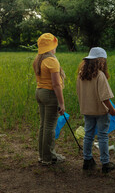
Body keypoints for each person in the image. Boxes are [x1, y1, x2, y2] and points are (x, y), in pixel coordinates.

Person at [76, 47, 115, 174]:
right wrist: (112, 109)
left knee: (88, 134)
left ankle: (87, 160)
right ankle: (105, 163)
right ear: (100, 61)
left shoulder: (81, 75)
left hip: (87, 110)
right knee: (103, 135)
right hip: (100, 111)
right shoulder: (100, 75)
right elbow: (104, 97)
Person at [33, 33, 66, 165]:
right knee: (49, 127)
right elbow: (56, 84)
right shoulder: (51, 60)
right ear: (51, 47)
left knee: (43, 125)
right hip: (49, 95)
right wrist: (62, 103)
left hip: (39, 92)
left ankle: (42, 155)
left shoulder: (38, 59)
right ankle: (48, 158)